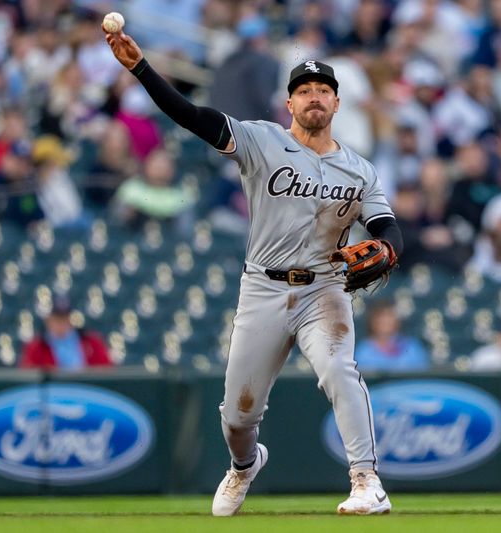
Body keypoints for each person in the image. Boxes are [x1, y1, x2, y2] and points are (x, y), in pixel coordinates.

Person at [105, 25, 403, 516]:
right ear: (289, 104)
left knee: (339, 369)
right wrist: (140, 68)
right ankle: (244, 466)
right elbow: (191, 115)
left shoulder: (360, 169)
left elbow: (387, 227)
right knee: (238, 417)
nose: (314, 98)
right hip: (263, 288)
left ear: (336, 103)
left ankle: (366, 479)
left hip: (324, 289)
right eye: (304, 91)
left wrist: (388, 250)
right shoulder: (260, 141)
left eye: (323, 91)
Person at [19, 296, 111, 370]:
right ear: (48, 320)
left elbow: (107, 370)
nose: (61, 323)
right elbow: (27, 373)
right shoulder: (37, 346)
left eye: (64, 319)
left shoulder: (92, 342)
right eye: (57, 319)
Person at [355, 301, 430, 372]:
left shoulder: (413, 347)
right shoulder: (363, 350)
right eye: (381, 318)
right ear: (372, 322)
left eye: (390, 316)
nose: (386, 321)